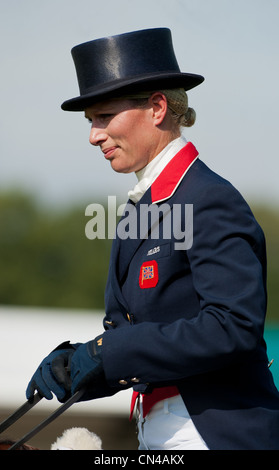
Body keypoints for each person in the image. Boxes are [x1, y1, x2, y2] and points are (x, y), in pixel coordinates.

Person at [26, 28, 279, 450]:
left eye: (104, 116)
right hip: (155, 431)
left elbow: (233, 326)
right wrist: (78, 366)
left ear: (158, 108)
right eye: (91, 121)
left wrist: (109, 351)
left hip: (214, 431)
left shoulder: (210, 198)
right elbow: (140, 342)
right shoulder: (134, 211)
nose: (94, 135)